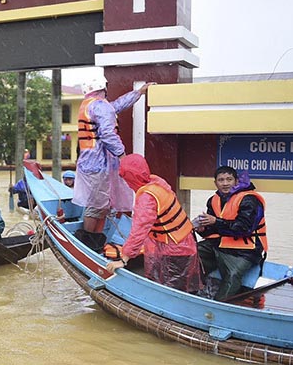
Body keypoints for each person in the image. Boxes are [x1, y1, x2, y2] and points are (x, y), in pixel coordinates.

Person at [73, 77, 152, 250]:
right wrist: (122, 156)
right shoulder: (99, 105)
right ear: (103, 87)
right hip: (98, 164)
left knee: (102, 205)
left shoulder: (92, 104)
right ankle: (89, 243)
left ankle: (96, 241)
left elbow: (116, 106)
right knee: (97, 205)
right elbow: (107, 134)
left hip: (92, 163)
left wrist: (138, 93)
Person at [106, 154, 202, 293]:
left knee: (171, 291)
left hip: (174, 249)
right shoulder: (157, 182)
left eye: (126, 178)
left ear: (131, 177)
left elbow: (139, 230)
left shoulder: (147, 198)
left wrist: (124, 259)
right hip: (184, 243)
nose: (126, 182)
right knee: (178, 285)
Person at [194, 166, 267, 301]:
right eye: (221, 180)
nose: (225, 183)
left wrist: (215, 221)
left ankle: (221, 305)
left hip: (246, 250)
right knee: (190, 255)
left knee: (233, 275)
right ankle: (189, 292)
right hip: (219, 244)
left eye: (229, 179)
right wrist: (203, 229)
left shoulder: (250, 200)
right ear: (215, 183)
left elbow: (244, 228)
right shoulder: (213, 200)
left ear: (236, 181)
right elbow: (214, 229)